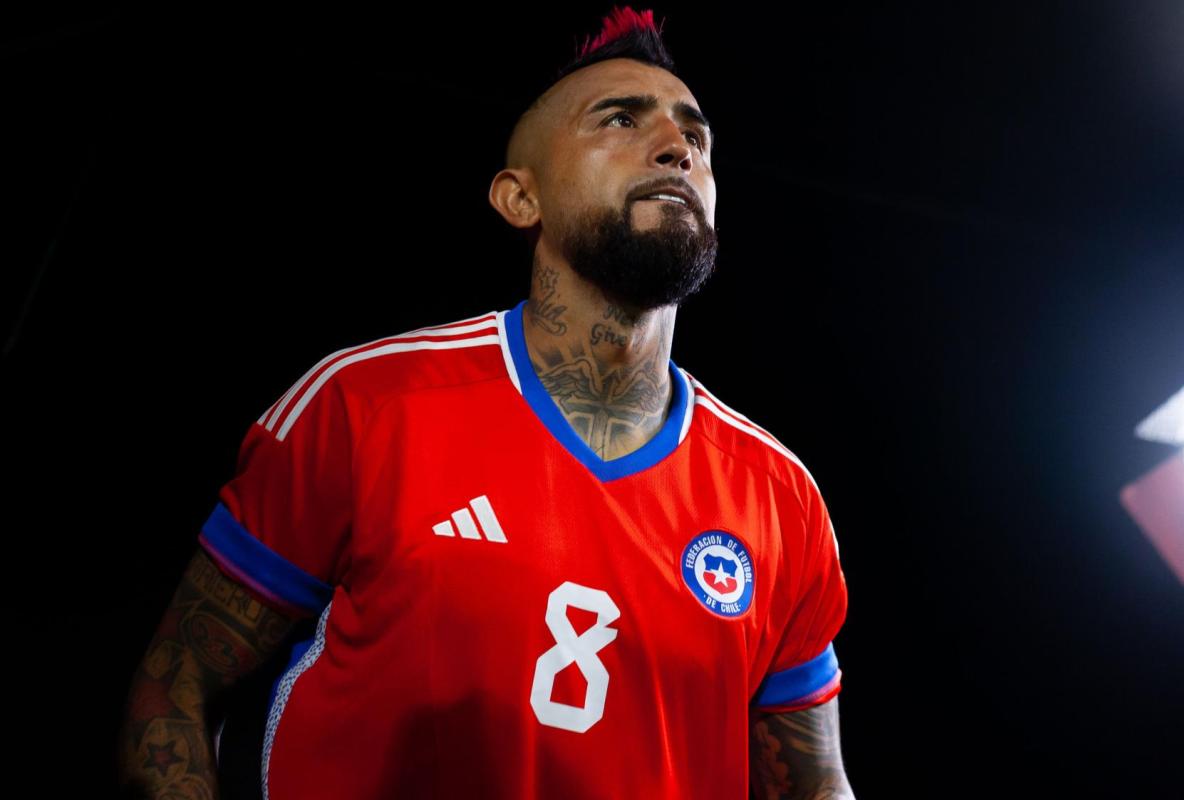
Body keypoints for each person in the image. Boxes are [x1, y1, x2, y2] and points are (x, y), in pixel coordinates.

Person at [117, 6, 853, 798]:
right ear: (518, 198)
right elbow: (174, 688)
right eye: (620, 119)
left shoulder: (781, 499)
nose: (678, 147)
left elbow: (817, 785)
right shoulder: (369, 403)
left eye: (696, 138)